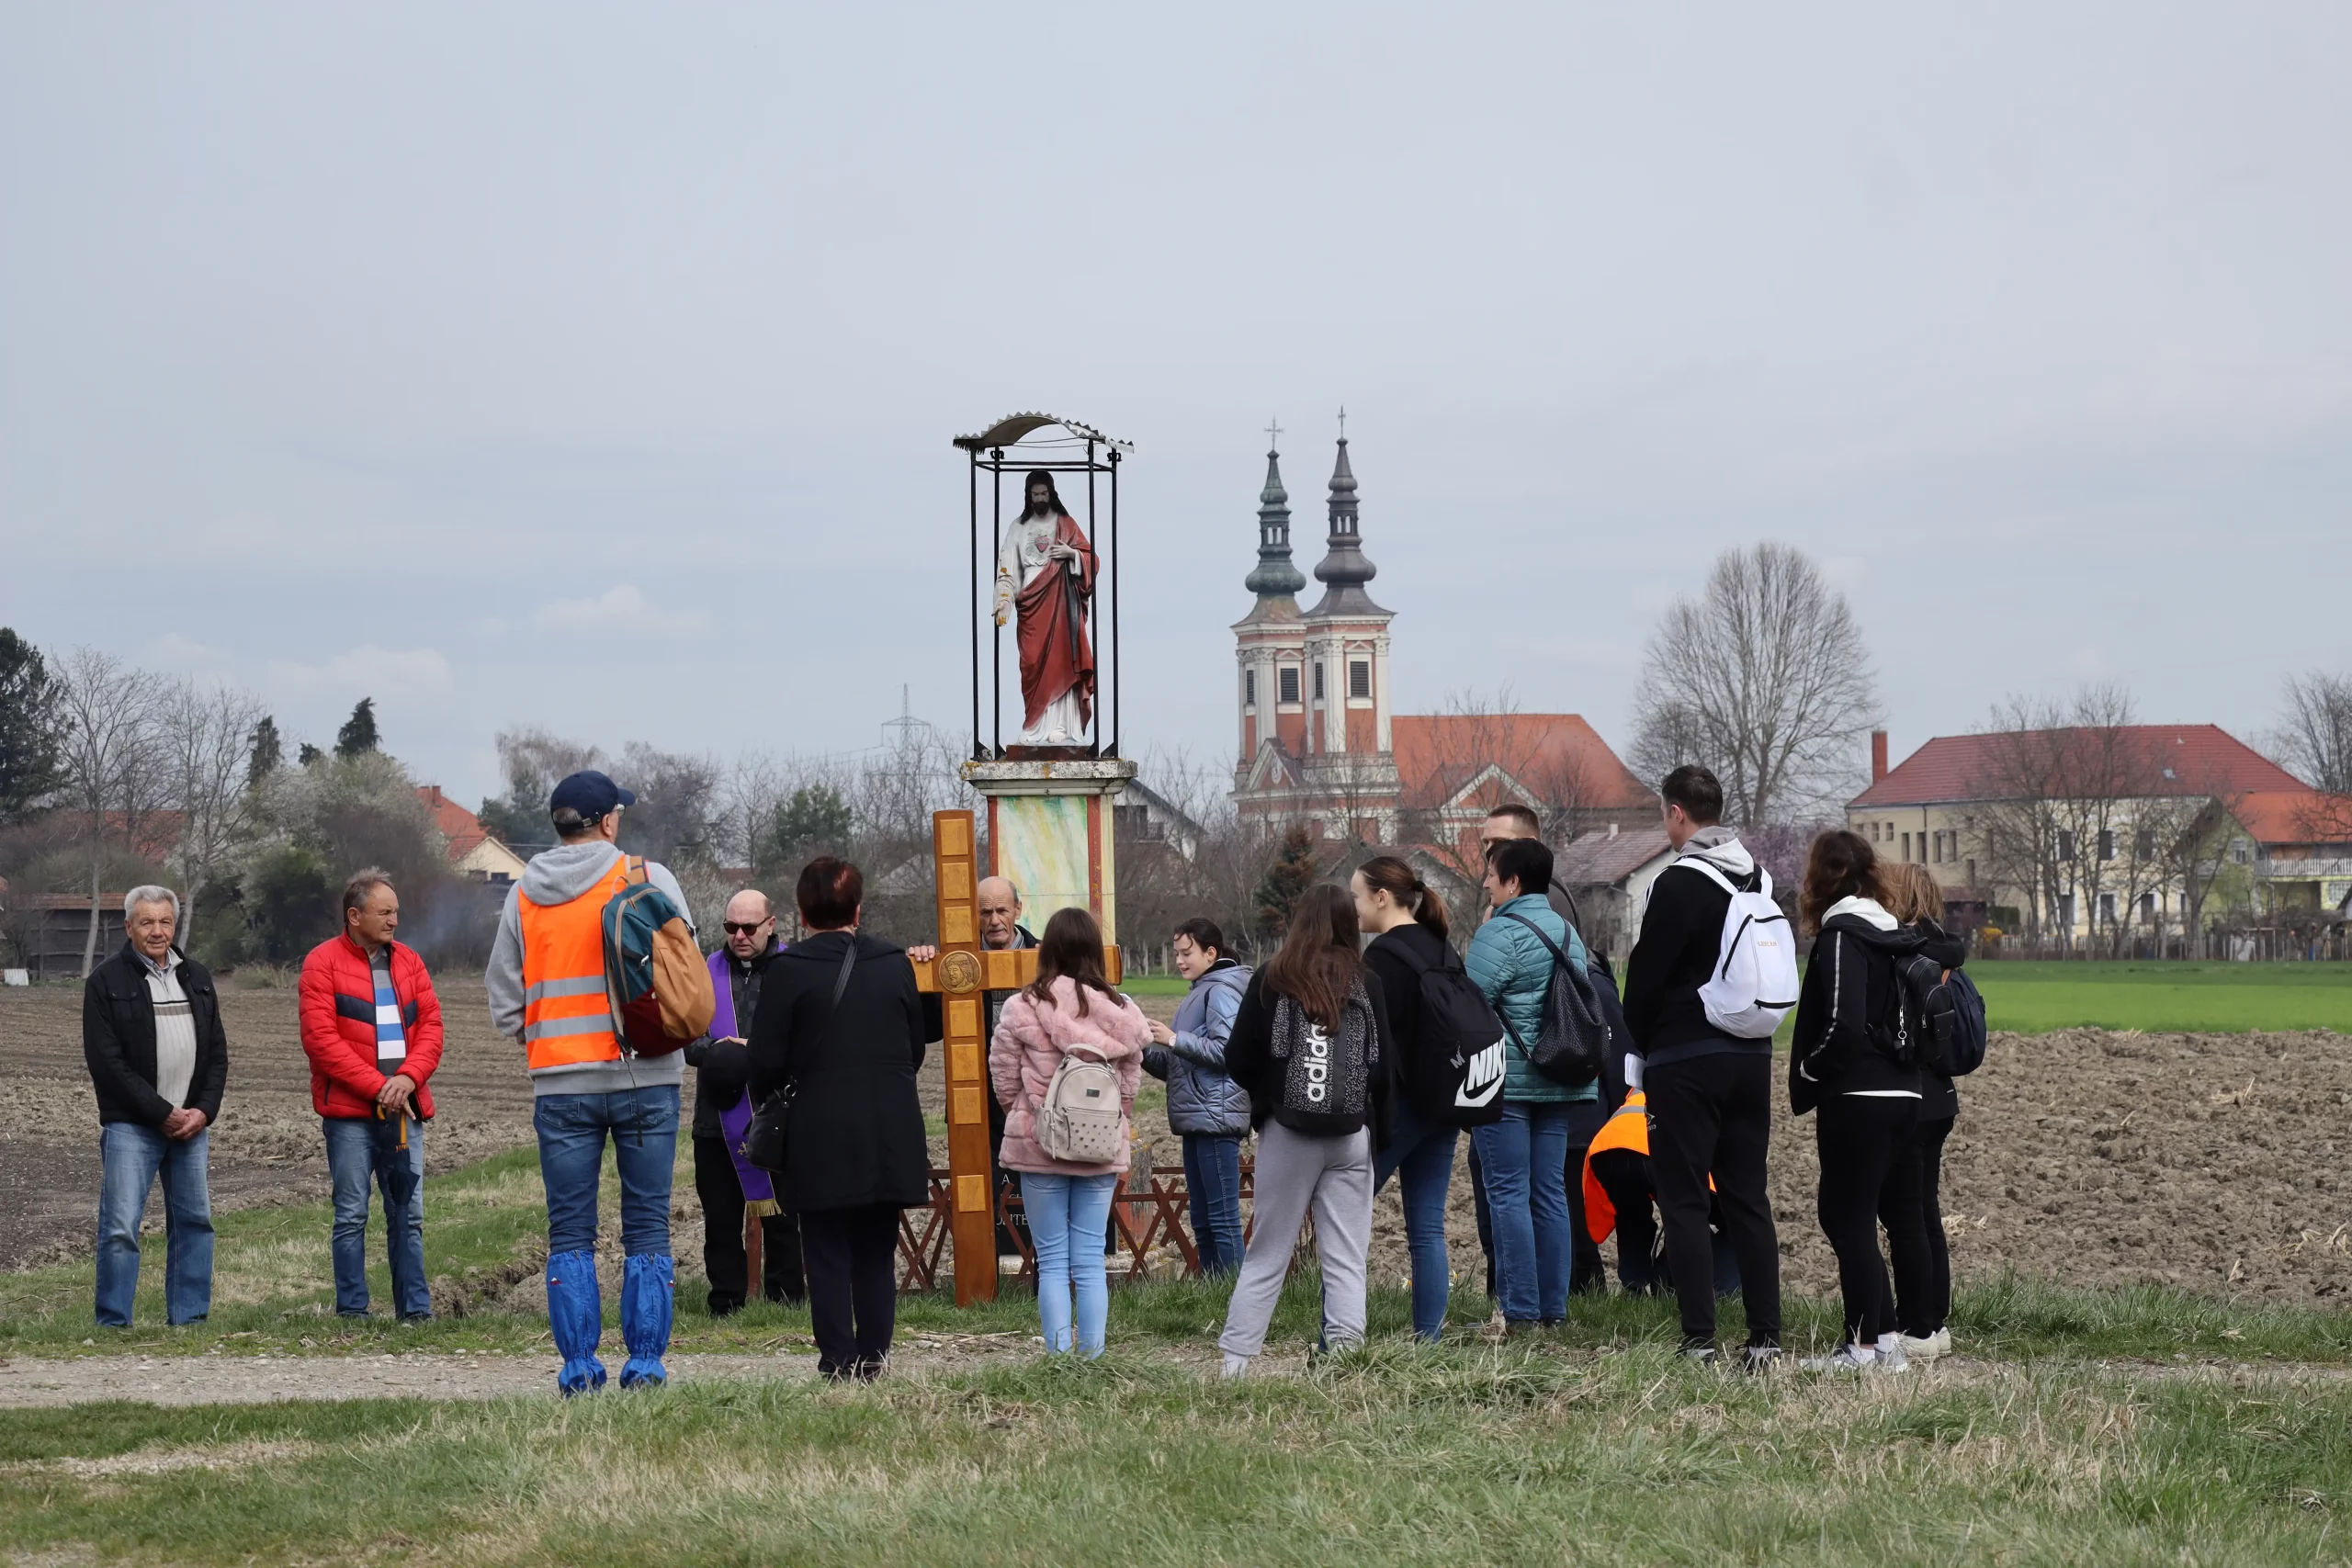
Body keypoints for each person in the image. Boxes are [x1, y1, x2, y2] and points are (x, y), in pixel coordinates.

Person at [486, 769, 695, 1393]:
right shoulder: (646, 876)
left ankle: (579, 1368)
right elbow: (685, 973)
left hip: (561, 1084)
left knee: (571, 1229)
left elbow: (505, 1000)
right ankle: (646, 1364)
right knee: (647, 1223)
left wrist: (543, 1035)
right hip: (646, 1078)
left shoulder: (523, 895)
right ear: (607, 821)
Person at [1621, 765, 1783, 1368]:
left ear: (1677, 813)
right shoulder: (1759, 878)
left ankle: (1699, 1341)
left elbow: (1645, 980)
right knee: (1748, 1198)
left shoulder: (1677, 883)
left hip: (1686, 1058)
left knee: (1685, 1198)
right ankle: (1766, 1339)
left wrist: (1644, 1042)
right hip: (1751, 1055)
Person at [747, 857, 931, 1382]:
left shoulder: (788, 971)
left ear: (802, 913)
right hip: (888, 1126)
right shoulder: (894, 963)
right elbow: (914, 1047)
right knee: (876, 1249)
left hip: (816, 1129)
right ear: (858, 908)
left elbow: (764, 1061)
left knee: (824, 1248)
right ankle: (874, 1359)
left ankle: (837, 1360)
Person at [1787, 830, 1956, 1373]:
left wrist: (1809, 1070)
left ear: (1821, 877)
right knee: (1867, 1215)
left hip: (1857, 1095)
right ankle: (1885, 1342)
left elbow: (1843, 1023)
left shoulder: (1842, 935)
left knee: (1846, 1217)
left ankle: (1862, 1349)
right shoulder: (1895, 934)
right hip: (1907, 1092)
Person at [1218, 885, 1394, 1377]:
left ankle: (1236, 1364)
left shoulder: (1272, 978)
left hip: (1288, 1133)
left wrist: (1270, 1100)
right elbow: (1382, 1071)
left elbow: (1237, 1060)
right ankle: (1346, 1364)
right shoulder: (1367, 981)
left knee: (1268, 1252)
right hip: (1351, 1136)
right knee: (1346, 1257)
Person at [991, 907, 1150, 1356]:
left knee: (1053, 1259)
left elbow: (1003, 1074)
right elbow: (1129, 1086)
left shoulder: (1022, 1006)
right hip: (1100, 1147)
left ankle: (1059, 1357)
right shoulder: (1122, 1011)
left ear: (1048, 950)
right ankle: (1094, 1355)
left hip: (1039, 1144)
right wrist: (1108, 1122)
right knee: (1090, 1260)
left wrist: (1023, 1113)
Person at [298, 870, 444, 1322]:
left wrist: (408, 1079)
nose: (394, 921)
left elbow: (432, 1029)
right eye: (384, 912)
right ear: (354, 915)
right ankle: (353, 1312)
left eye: (396, 912)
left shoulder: (410, 962)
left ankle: (415, 1313)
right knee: (350, 1215)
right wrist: (381, 1087)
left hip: (404, 1112)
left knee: (408, 1214)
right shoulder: (321, 963)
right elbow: (321, 1041)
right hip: (350, 1116)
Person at [1465, 837, 1598, 1333]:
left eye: (1491, 874)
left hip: (1508, 1085)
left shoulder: (1500, 933)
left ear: (1513, 881)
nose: (1486, 883)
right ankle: (1553, 1310)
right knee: (1550, 1194)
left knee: (1506, 1193)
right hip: (1559, 1079)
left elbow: (1467, 1005)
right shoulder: (1567, 931)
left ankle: (1519, 1310)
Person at [83, 886, 227, 1328]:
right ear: (128, 927)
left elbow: (217, 1055)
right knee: (121, 1228)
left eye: (165, 921)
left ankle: (190, 1320)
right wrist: (161, 1112)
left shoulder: (197, 976)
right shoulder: (105, 982)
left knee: (194, 1223)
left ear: (175, 925)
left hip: (191, 1126)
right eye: (146, 922)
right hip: (132, 1126)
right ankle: (113, 1323)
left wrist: (202, 1111)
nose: (157, 931)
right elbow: (107, 1063)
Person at [1354, 855, 1463, 1341]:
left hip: (1397, 1109)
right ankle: (1429, 1339)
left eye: (1357, 897)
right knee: (1428, 1229)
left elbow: (1369, 1041)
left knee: (1348, 1221)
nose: (1353, 907)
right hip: (1444, 1103)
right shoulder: (1444, 948)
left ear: (1382, 898)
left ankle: (1338, 1336)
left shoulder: (1381, 958)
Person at [684, 888, 803, 1315]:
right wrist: (722, 1052)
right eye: (731, 927)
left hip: (780, 1115)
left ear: (771, 924)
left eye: (749, 928)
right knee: (720, 1220)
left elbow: (809, 1036)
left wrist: (758, 1051)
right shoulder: (704, 971)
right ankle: (726, 1304)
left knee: (784, 1218)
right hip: (716, 1118)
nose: (739, 936)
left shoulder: (795, 969)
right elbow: (688, 1039)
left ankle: (786, 1301)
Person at [1878, 861, 1969, 1363]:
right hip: (1940, 1097)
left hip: (1909, 1095)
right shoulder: (1948, 954)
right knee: (1925, 1209)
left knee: (1903, 1214)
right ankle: (1936, 1320)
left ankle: (1917, 1324)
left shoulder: (1903, 954)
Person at [1142, 918, 1252, 1277]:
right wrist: (1140, 1048)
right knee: (1203, 1220)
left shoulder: (1220, 990)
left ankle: (1233, 1296)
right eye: (1176, 953)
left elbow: (1228, 1053)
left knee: (1222, 1219)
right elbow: (1180, 1066)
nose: (1179, 960)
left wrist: (1174, 1039)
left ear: (1210, 952)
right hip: (1196, 1119)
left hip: (1217, 1120)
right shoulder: (1198, 991)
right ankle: (1212, 1292)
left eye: (1186, 953)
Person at [1580, 1091, 1741, 1298]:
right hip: (1653, 1144)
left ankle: (1634, 1290)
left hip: (1606, 1149)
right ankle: (1721, 1293)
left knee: (1633, 1219)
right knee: (1736, 1222)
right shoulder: (1715, 1088)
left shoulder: (1654, 1078)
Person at [992, 469, 1098, 746]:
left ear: (1052, 494)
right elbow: (1007, 569)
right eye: (1035, 494)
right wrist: (1004, 599)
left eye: (1044, 493)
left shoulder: (1066, 524)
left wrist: (1071, 554)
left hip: (1060, 600)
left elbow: (1092, 559)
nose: (1040, 498)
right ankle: (1035, 724)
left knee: (1061, 660)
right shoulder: (1018, 527)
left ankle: (1060, 725)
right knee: (1031, 661)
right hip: (1030, 601)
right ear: (1028, 496)